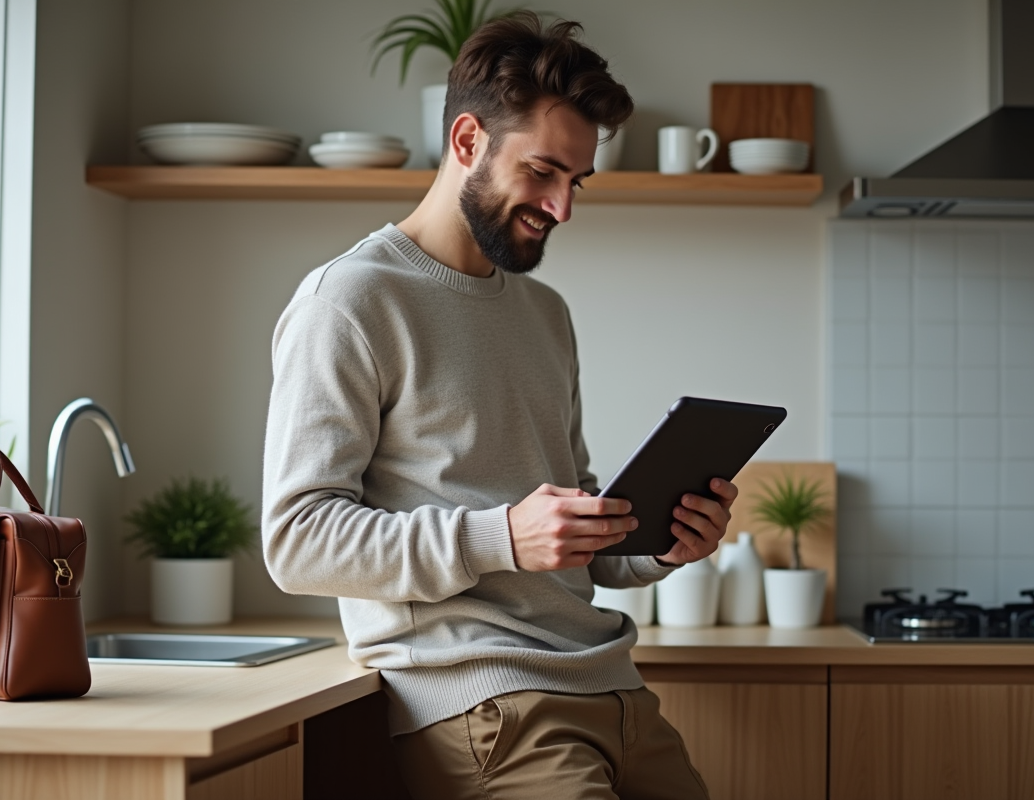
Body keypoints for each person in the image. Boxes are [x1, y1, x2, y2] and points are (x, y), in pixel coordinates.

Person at [262, 12, 736, 799]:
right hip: (485, 707)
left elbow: (575, 530)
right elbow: (297, 540)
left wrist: (660, 542)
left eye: (576, 182)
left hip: (616, 692)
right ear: (467, 141)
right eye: (543, 172)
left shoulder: (544, 313)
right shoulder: (349, 301)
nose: (562, 208)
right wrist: (502, 535)